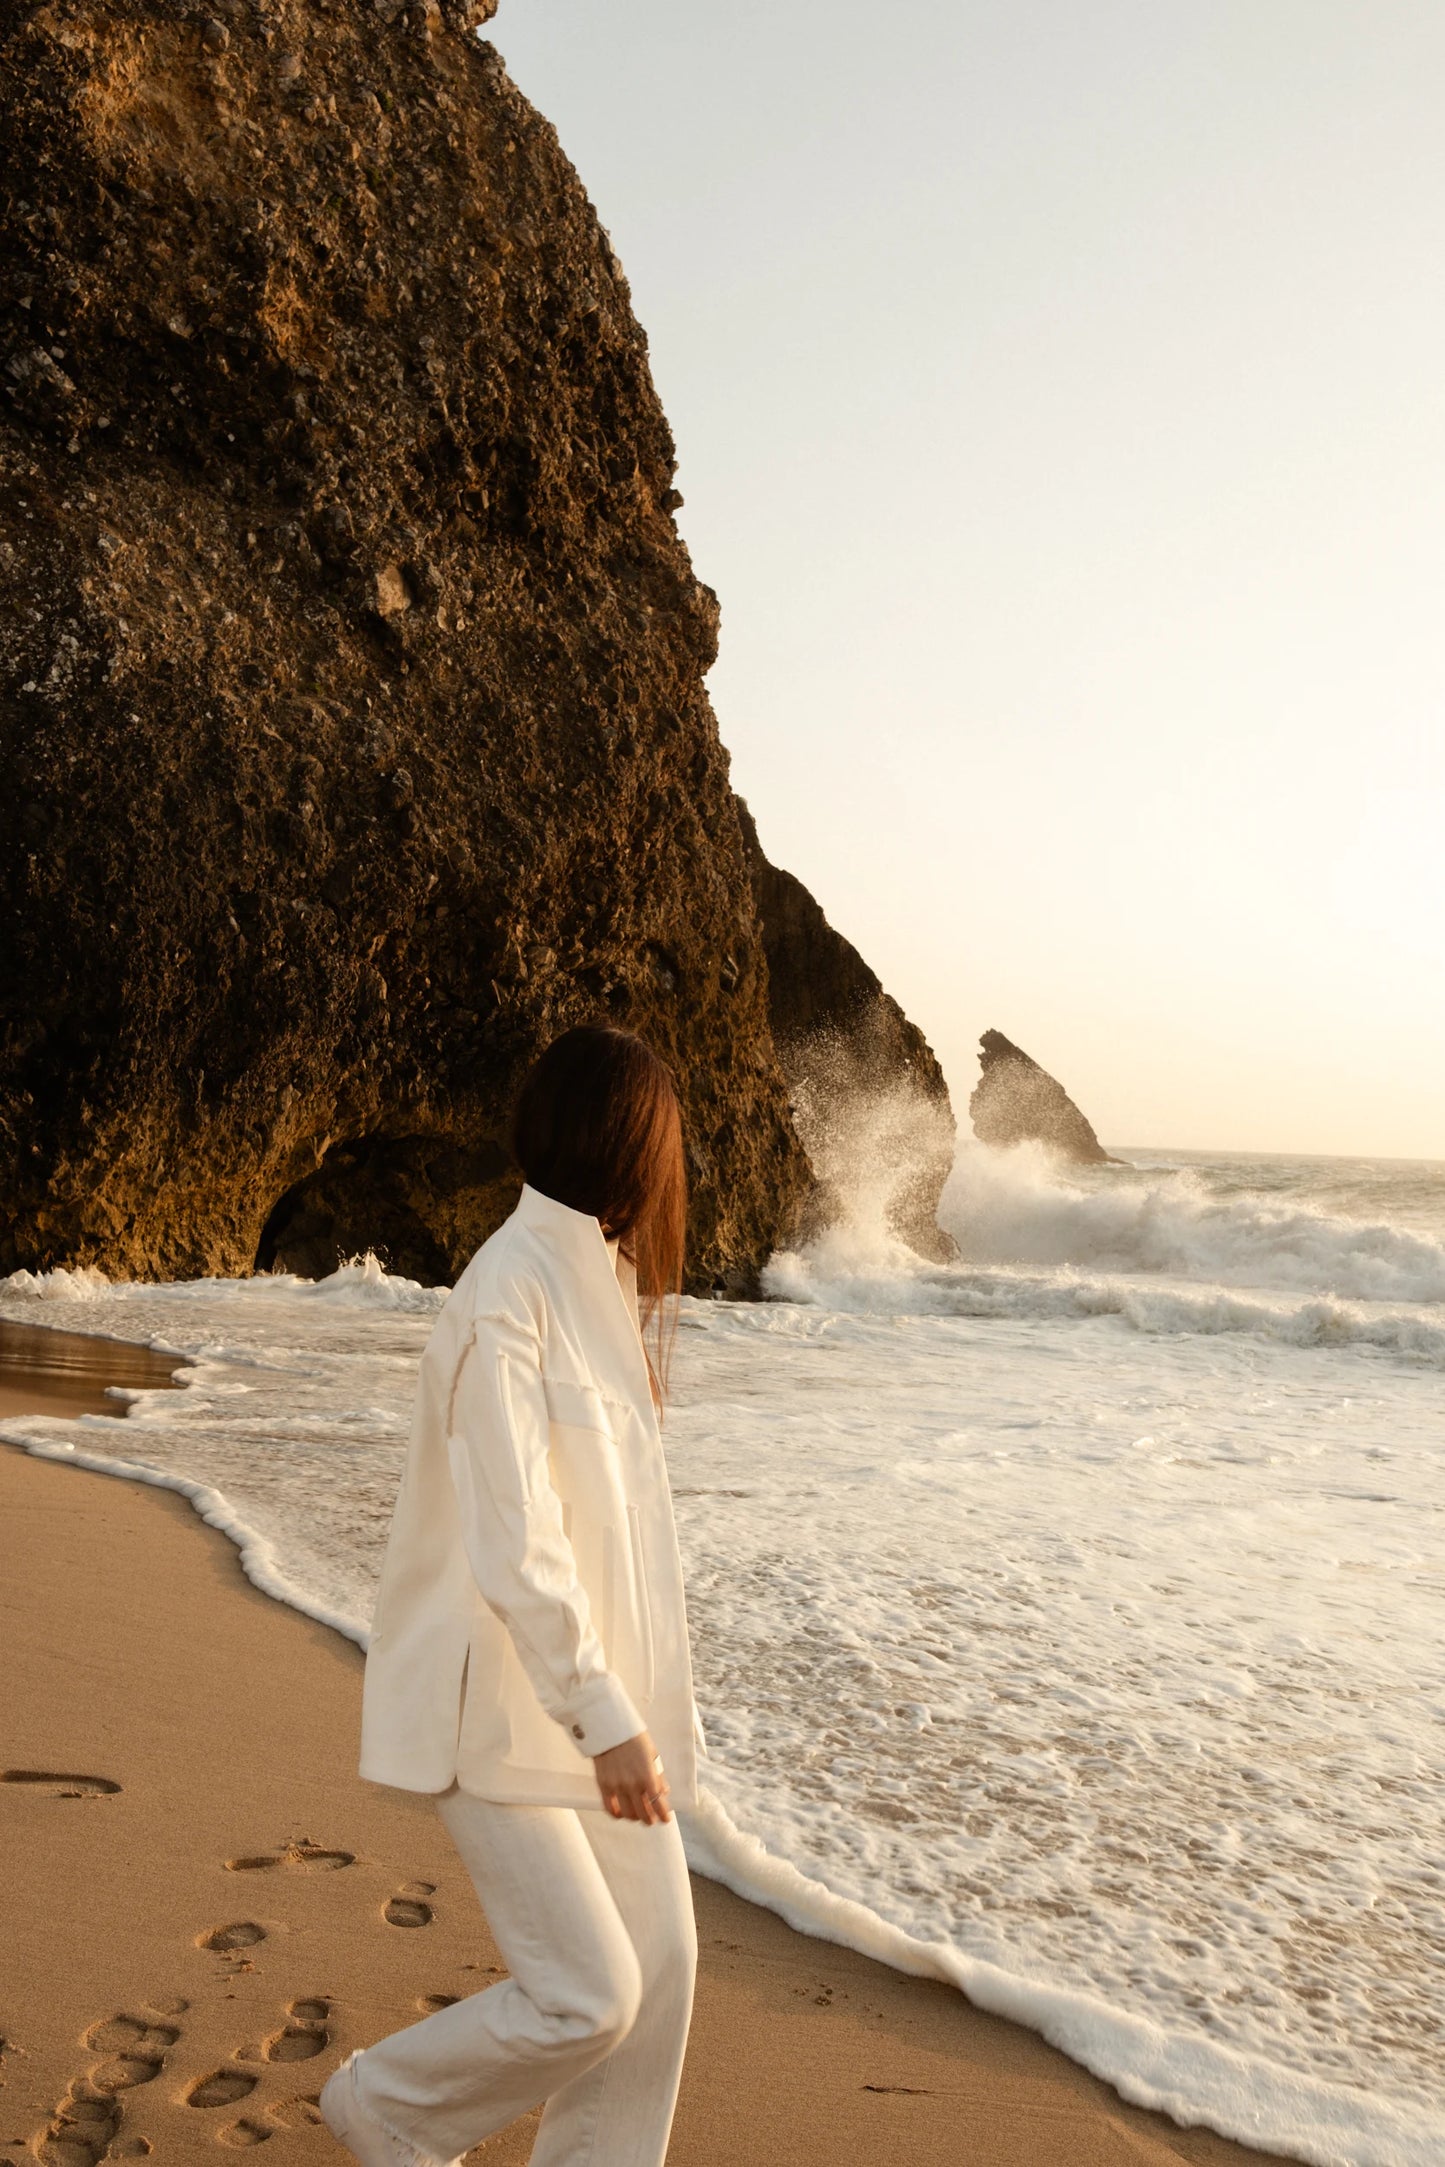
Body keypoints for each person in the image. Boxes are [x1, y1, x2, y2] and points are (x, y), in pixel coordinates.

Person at [319, 1024, 706, 2167]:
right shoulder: (509, 1293)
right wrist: (603, 1713)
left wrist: (621, 1709)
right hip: (492, 1700)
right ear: (623, 1147)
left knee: (661, 1968)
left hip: (581, 1705)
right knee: (587, 1994)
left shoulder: (600, 1286)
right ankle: (384, 2106)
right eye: (663, 1148)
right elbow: (515, 1536)